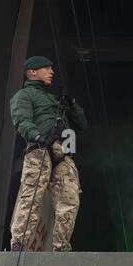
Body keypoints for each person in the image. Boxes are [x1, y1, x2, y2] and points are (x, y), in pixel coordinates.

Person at [9, 55, 86, 251]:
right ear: (33, 72)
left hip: (62, 155)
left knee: (70, 200)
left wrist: (72, 104)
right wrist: (36, 136)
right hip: (40, 150)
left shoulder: (55, 101)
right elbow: (21, 120)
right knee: (31, 196)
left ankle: (61, 247)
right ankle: (19, 243)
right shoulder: (24, 96)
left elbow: (81, 125)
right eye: (46, 68)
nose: (51, 72)